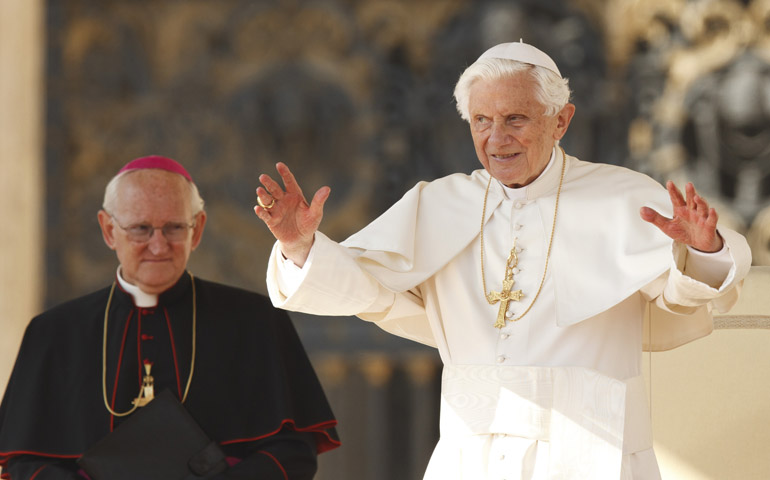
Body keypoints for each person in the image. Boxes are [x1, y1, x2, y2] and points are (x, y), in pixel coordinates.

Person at [253, 42, 752, 479]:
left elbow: (682, 294)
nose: (496, 139)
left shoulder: (622, 197)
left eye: (515, 119)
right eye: (481, 121)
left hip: (595, 449)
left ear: (561, 120)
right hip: (473, 452)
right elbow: (363, 286)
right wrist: (300, 247)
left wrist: (702, 249)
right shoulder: (439, 205)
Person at [0, 156, 340, 479]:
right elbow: (24, 462)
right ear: (108, 230)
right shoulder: (53, 333)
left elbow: (293, 453)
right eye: (140, 229)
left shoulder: (255, 321)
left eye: (175, 228)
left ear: (198, 229)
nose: (159, 246)